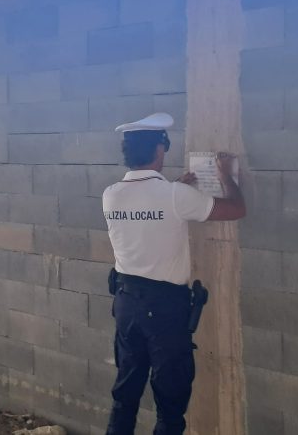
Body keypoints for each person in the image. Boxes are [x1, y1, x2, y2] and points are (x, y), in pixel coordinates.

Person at [102, 113, 246, 435]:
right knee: (170, 406)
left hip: (126, 304)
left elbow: (148, 214)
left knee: (125, 396)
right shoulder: (175, 196)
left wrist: (176, 191)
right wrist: (226, 175)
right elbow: (236, 209)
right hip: (164, 311)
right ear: (160, 149)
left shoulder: (111, 194)